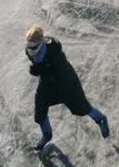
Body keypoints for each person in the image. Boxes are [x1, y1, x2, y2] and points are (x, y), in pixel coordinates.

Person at [25, 24, 110, 153]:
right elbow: (38, 67)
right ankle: (47, 134)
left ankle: (100, 118)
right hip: (47, 84)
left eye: (33, 47)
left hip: (66, 83)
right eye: (28, 46)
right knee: (40, 109)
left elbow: (57, 72)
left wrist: (39, 68)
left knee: (82, 108)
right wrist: (39, 69)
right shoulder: (31, 50)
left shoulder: (54, 53)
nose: (30, 49)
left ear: (41, 43)